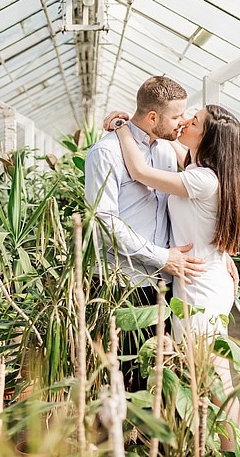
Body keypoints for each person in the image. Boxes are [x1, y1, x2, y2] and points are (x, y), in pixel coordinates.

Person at [106, 103, 240, 452]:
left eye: (193, 121)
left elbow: (139, 171)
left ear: (208, 136)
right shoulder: (201, 168)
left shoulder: (202, 177)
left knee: (216, 378)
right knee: (201, 373)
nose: (185, 121)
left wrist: (122, 126)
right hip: (202, 276)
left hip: (200, 288)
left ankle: (233, 450)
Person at [84, 75, 206, 391]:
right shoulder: (106, 152)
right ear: (153, 117)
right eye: (177, 115)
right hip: (123, 282)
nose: (183, 122)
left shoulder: (168, 153)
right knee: (120, 378)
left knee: (157, 377)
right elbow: (104, 223)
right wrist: (162, 256)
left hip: (163, 283)